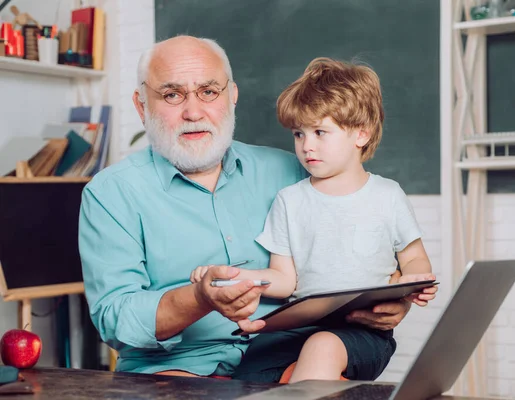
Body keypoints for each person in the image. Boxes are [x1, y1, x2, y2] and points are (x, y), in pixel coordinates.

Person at [79, 36, 423, 377]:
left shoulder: (296, 171)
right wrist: (200, 298)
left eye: (209, 92)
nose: (193, 111)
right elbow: (114, 318)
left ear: (232, 97)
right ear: (142, 106)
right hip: (176, 367)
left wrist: (397, 301)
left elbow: (368, 251)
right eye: (172, 94)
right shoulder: (111, 193)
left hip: (289, 354)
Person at [191, 58, 437, 383]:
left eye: (320, 132)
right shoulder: (289, 200)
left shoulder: (387, 196)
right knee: (246, 380)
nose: (307, 146)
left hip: (361, 332)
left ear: (360, 134)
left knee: (322, 347)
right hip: (296, 329)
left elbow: (414, 256)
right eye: (299, 134)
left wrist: (414, 284)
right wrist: (236, 276)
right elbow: (284, 280)